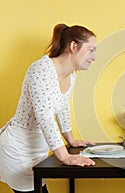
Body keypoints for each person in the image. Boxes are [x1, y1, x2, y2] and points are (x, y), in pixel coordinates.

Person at [0, 23, 97, 193]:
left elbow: (63, 108)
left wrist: (71, 140)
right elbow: (44, 115)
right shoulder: (41, 69)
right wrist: (64, 156)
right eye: (91, 49)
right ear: (74, 46)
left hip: (39, 149)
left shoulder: (71, 75)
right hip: (18, 149)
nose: (94, 57)